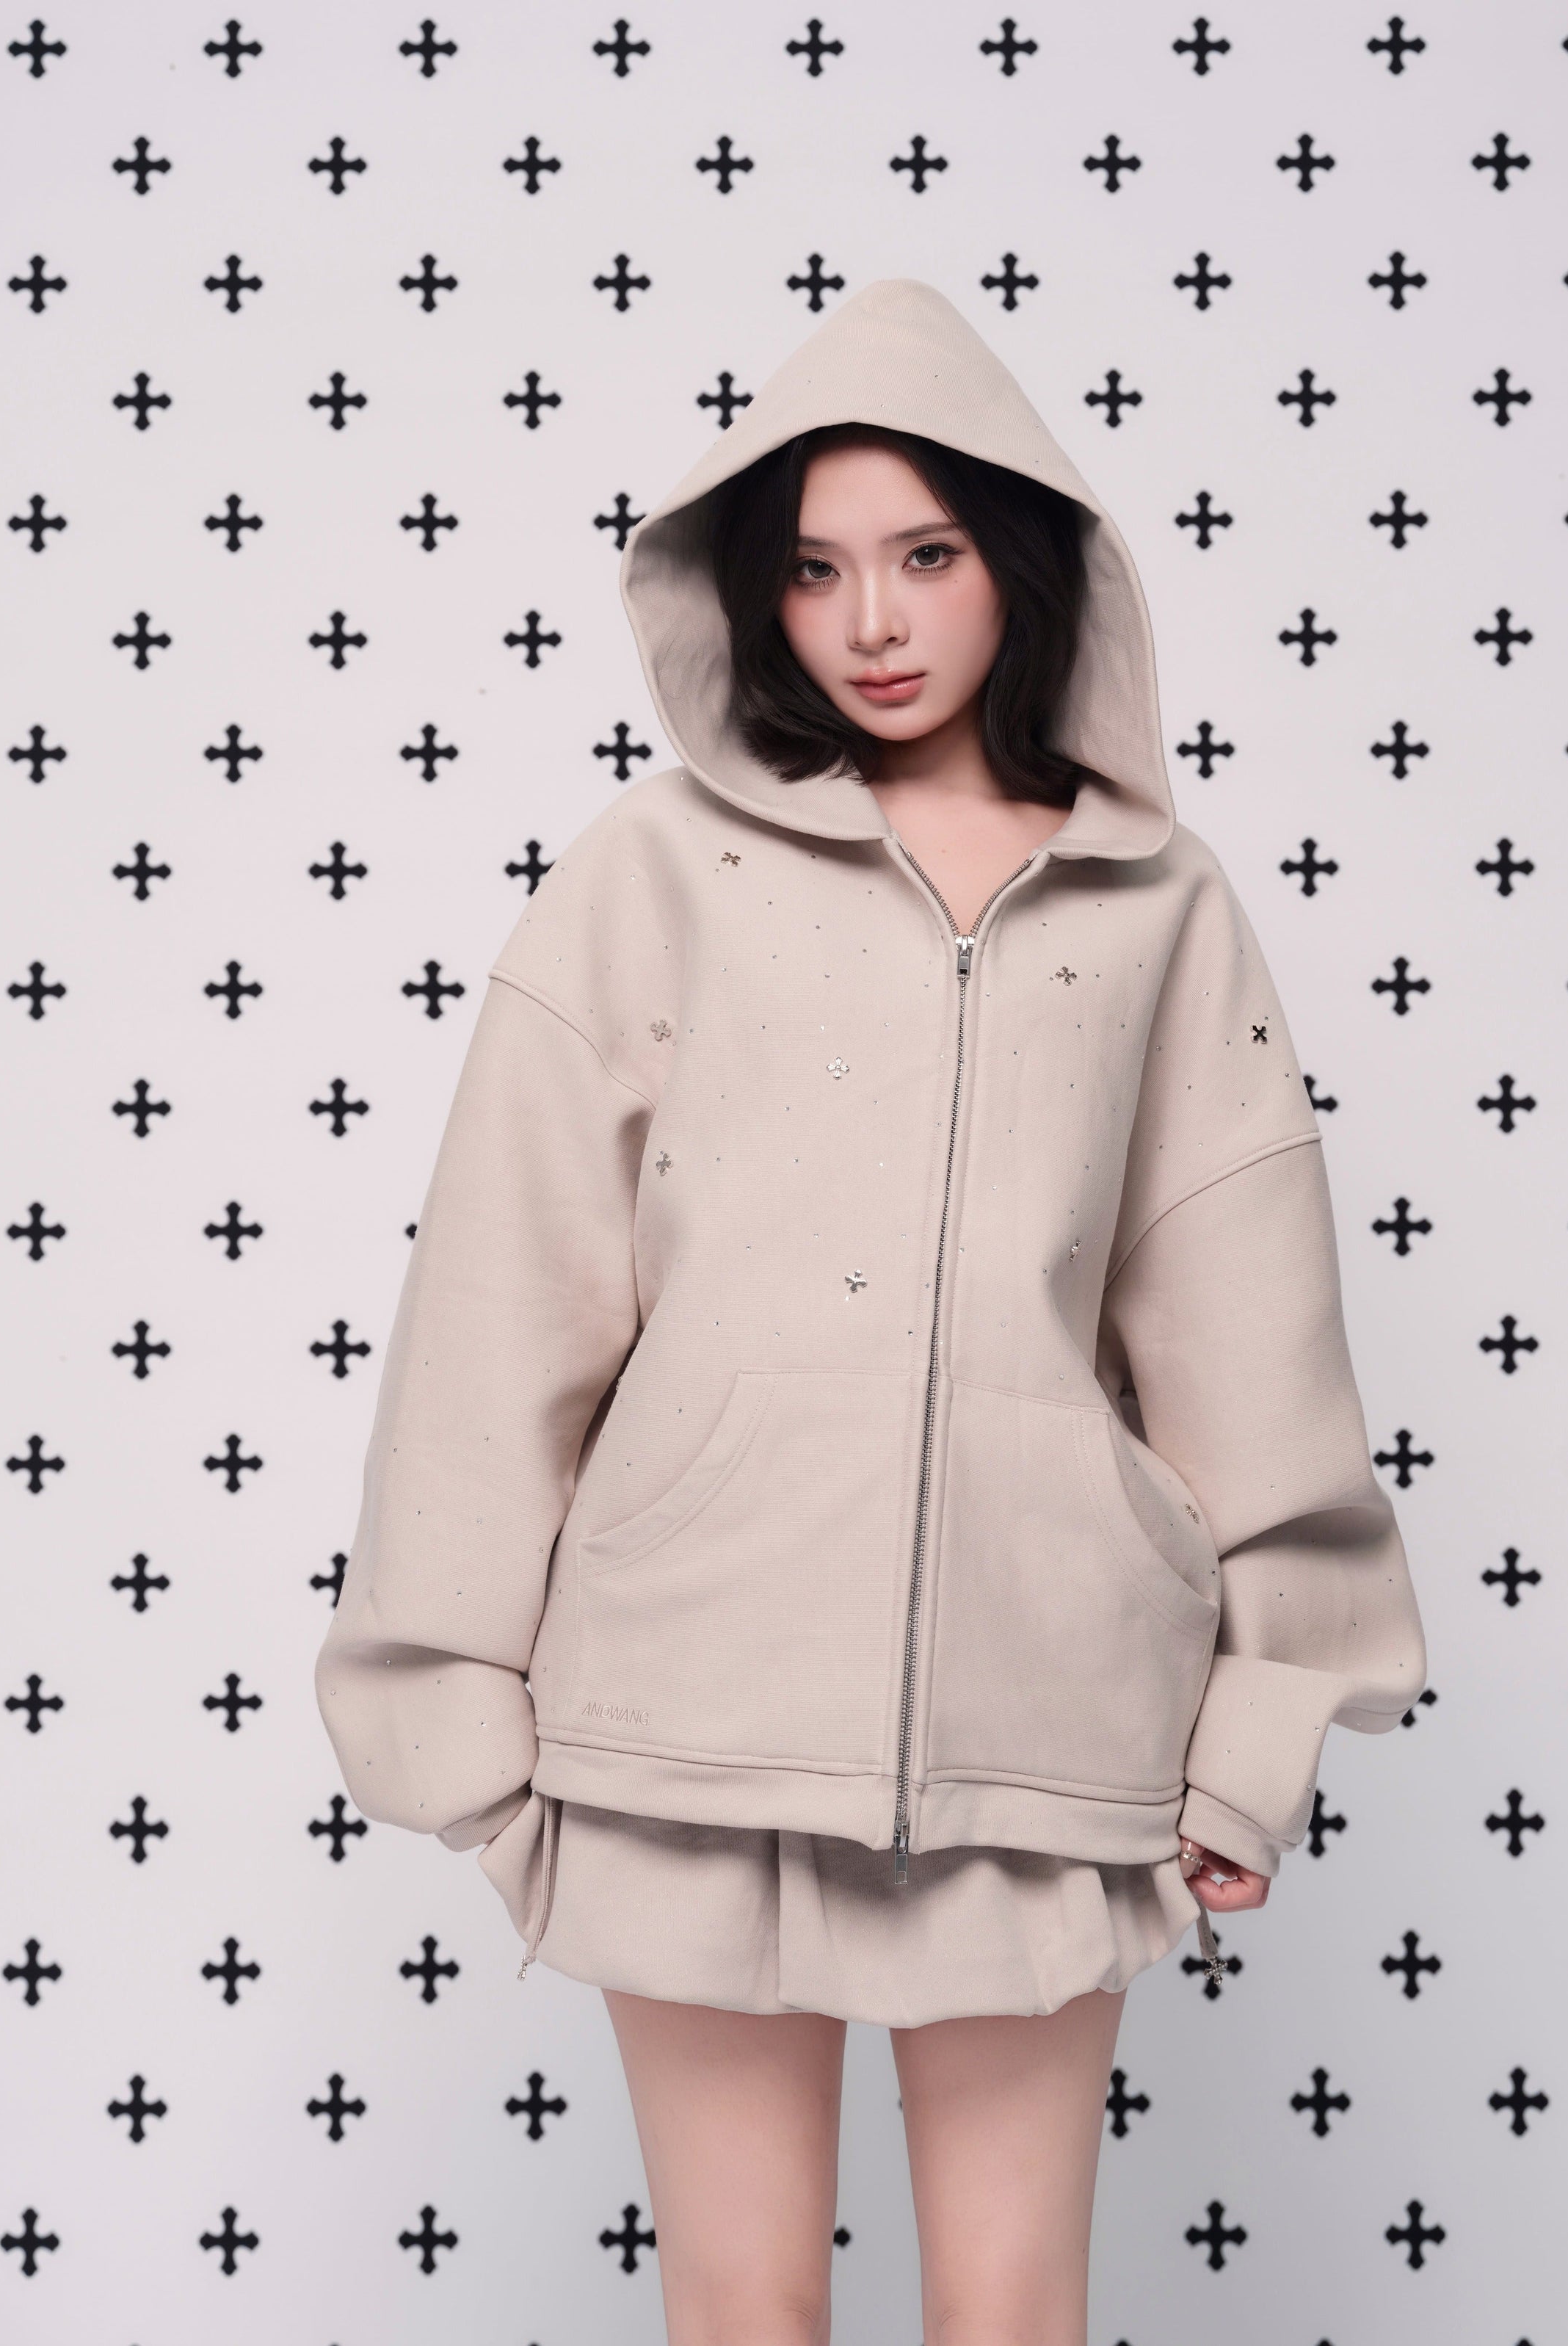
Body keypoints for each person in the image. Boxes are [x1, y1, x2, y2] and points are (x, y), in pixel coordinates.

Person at [315, 278, 1427, 2345]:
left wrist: (1259, 1724)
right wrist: (451, 1699)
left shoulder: (1160, 904)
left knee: (1009, 2312)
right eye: (817, 569)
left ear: (1019, 564)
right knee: (743, 2311)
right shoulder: (653, 869)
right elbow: (502, 1298)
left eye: (925, 556)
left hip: (1045, 1724)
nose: (874, 621)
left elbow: (1247, 1325)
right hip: (686, 1709)